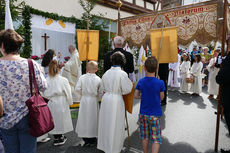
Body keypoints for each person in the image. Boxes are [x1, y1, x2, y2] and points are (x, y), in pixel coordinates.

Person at [0, 29, 47, 153]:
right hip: (28, 114)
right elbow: (43, 86)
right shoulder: (31, 64)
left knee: (9, 150)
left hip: (4, 116)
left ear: (2, 46)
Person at [97, 52, 133, 153]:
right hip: (116, 99)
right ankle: (113, 147)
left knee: (106, 122)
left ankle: (105, 145)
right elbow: (127, 89)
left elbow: (102, 88)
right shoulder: (122, 74)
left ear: (112, 61)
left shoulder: (106, 73)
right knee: (115, 123)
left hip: (106, 98)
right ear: (123, 62)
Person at [134, 56, 165, 153]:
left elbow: (136, 96)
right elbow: (161, 97)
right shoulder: (160, 82)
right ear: (156, 69)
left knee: (145, 137)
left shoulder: (141, 81)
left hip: (143, 113)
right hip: (155, 114)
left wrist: (143, 96)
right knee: (156, 138)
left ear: (144, 68)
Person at [43, 60, 73, 146]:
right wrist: (70, 102)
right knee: (60, 120)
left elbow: (43, 92)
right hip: (61, 101)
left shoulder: (46, 80)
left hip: (50, 102)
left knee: (53, 120)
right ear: (59, 68)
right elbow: (68, 92)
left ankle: (56, 137)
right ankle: (60, 137)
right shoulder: (63, 80)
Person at [75, 61, 103, 146]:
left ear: (87, 69)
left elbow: (77, 89)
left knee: (84, 118)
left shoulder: (82, 77)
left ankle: (85, 139)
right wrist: (98, 97)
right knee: (93, 118)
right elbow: (101, 91)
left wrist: (81, 96)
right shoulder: (98, 79)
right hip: (93, 100)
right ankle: (92, 139)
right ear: (96, 69)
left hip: (84, 99)